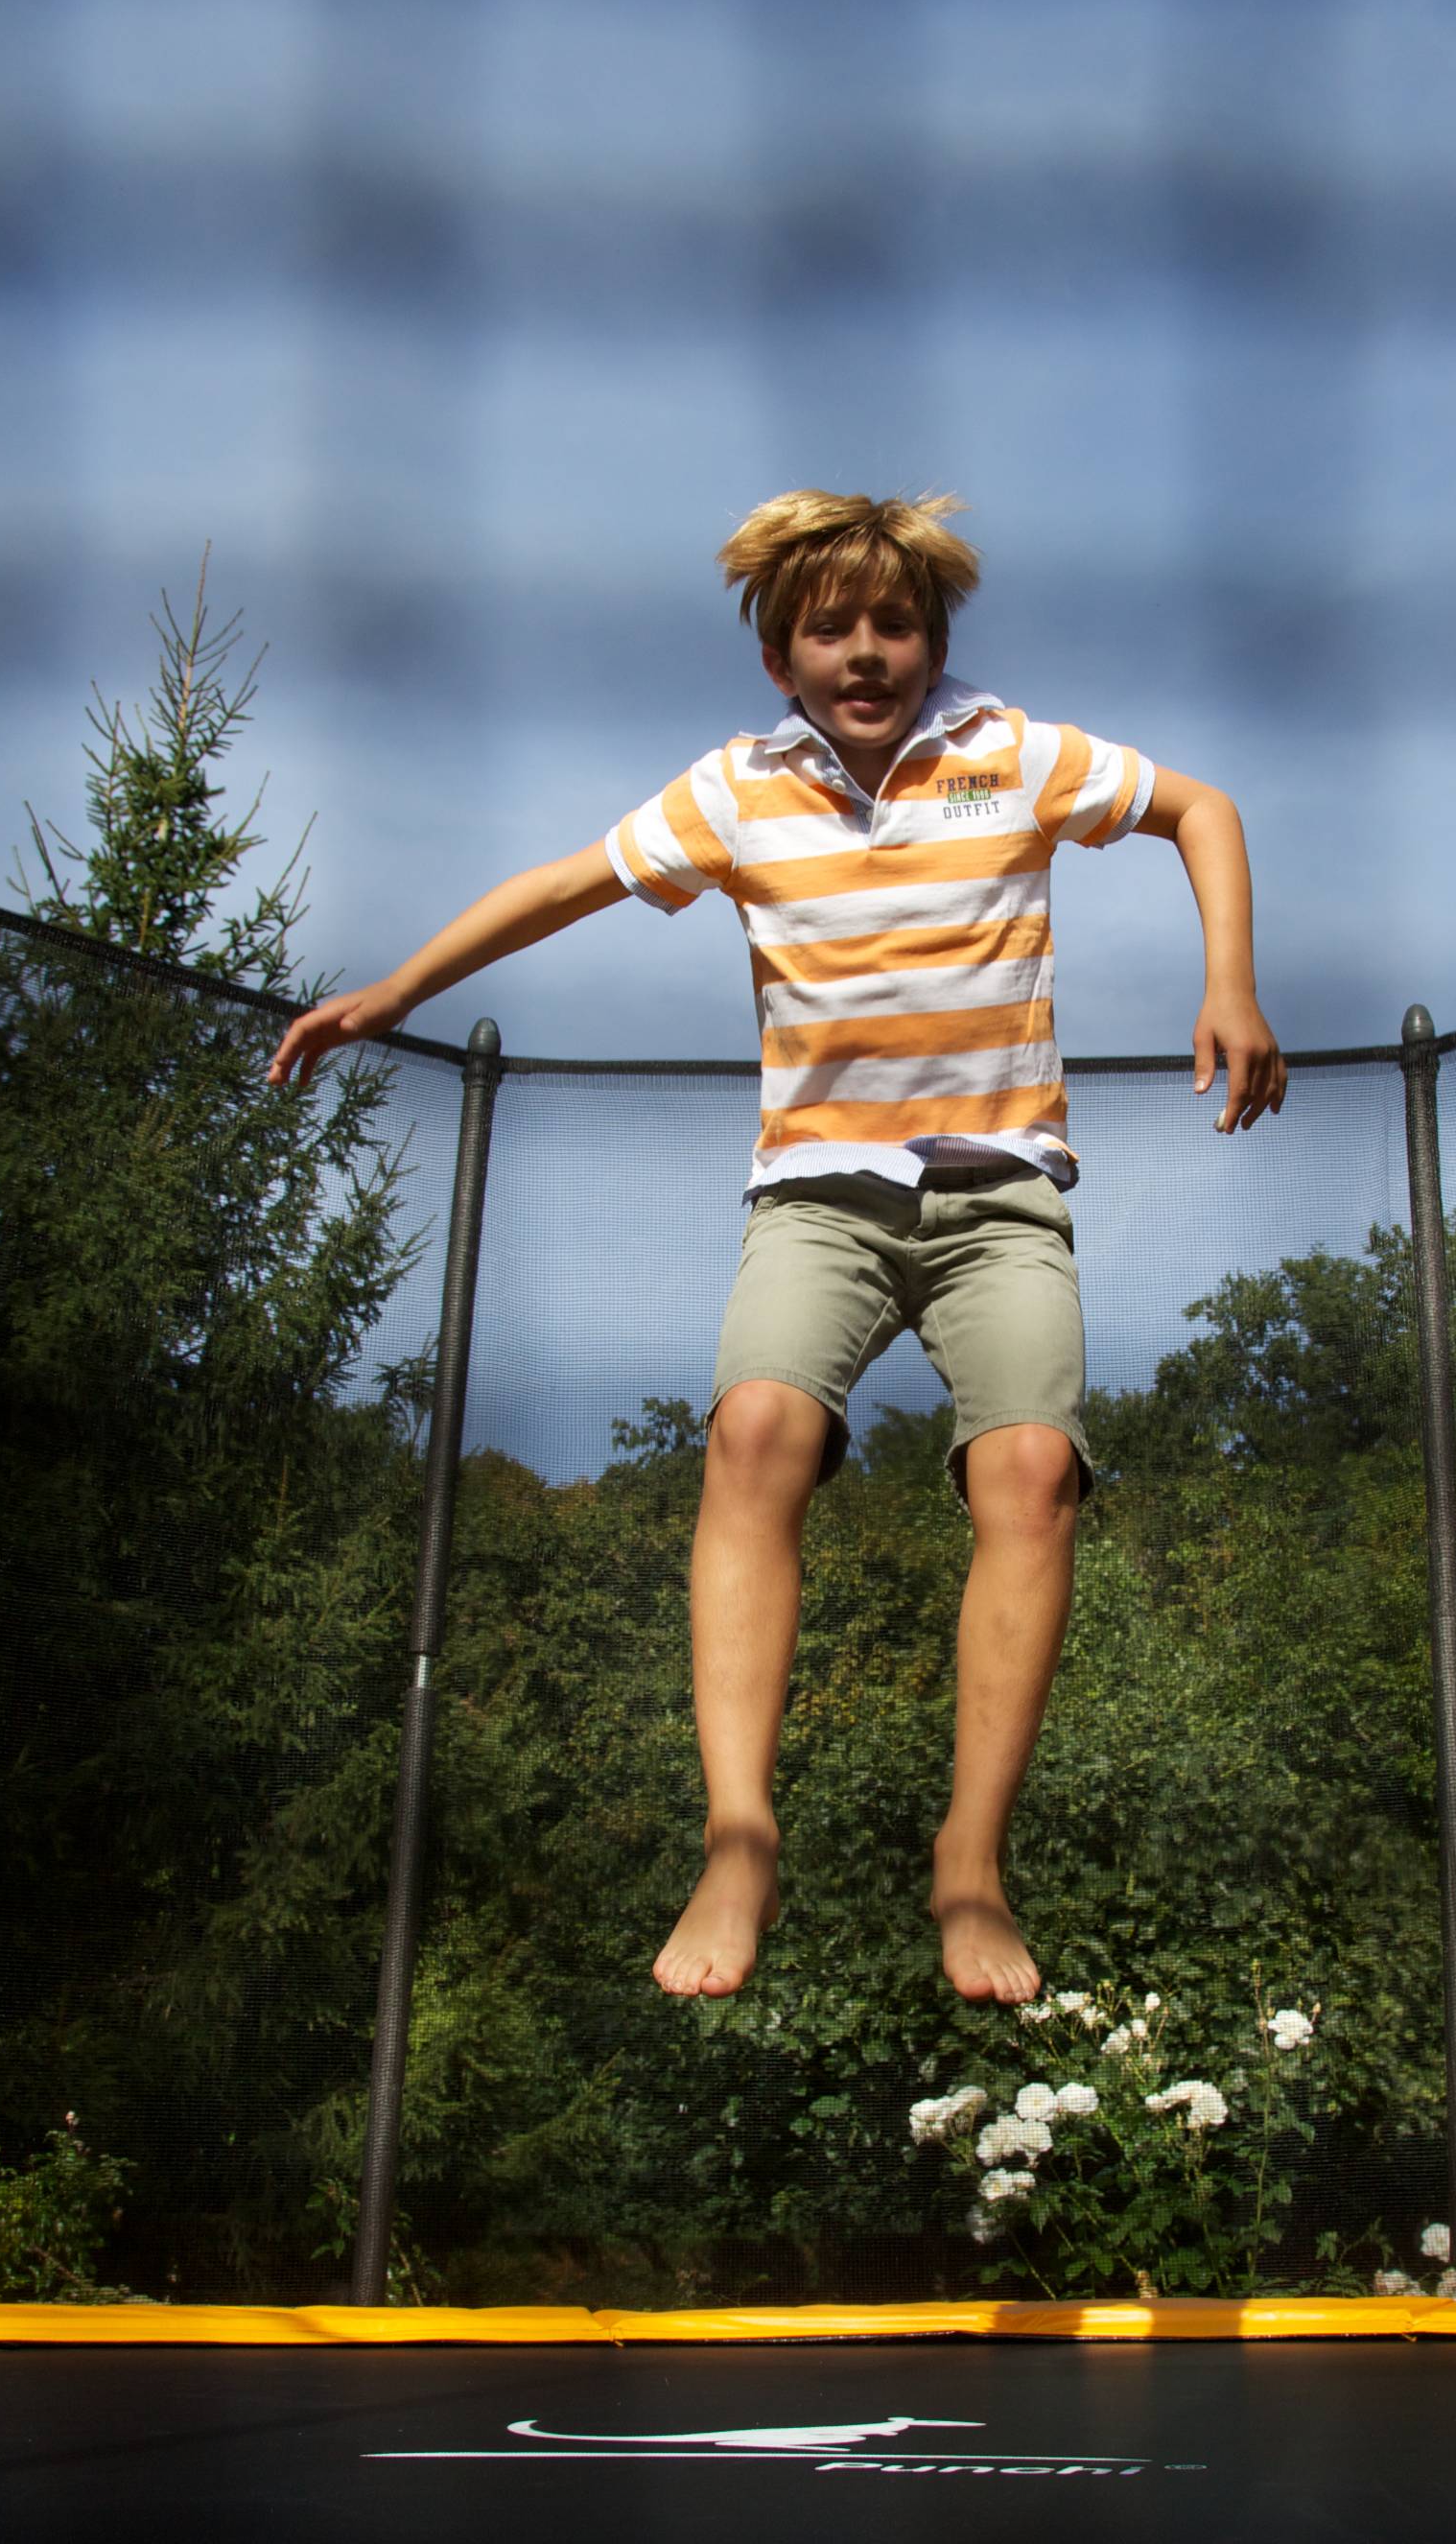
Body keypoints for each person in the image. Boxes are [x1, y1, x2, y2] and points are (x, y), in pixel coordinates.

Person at [269, 490, 1283, 2005]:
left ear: (934, 640)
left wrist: (1232, 985)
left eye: (893, 624)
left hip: (1001, 1189)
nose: (864, 651)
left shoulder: (1013, 752)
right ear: (779, 657)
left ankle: (970, 1864)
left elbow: (1203, 805)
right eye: (830, 628)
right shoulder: (737, 791)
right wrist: (397, 990)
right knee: (754, 1433)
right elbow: (563, 884)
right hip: (818, 1192)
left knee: (1033, 1473)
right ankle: (739, 1838)